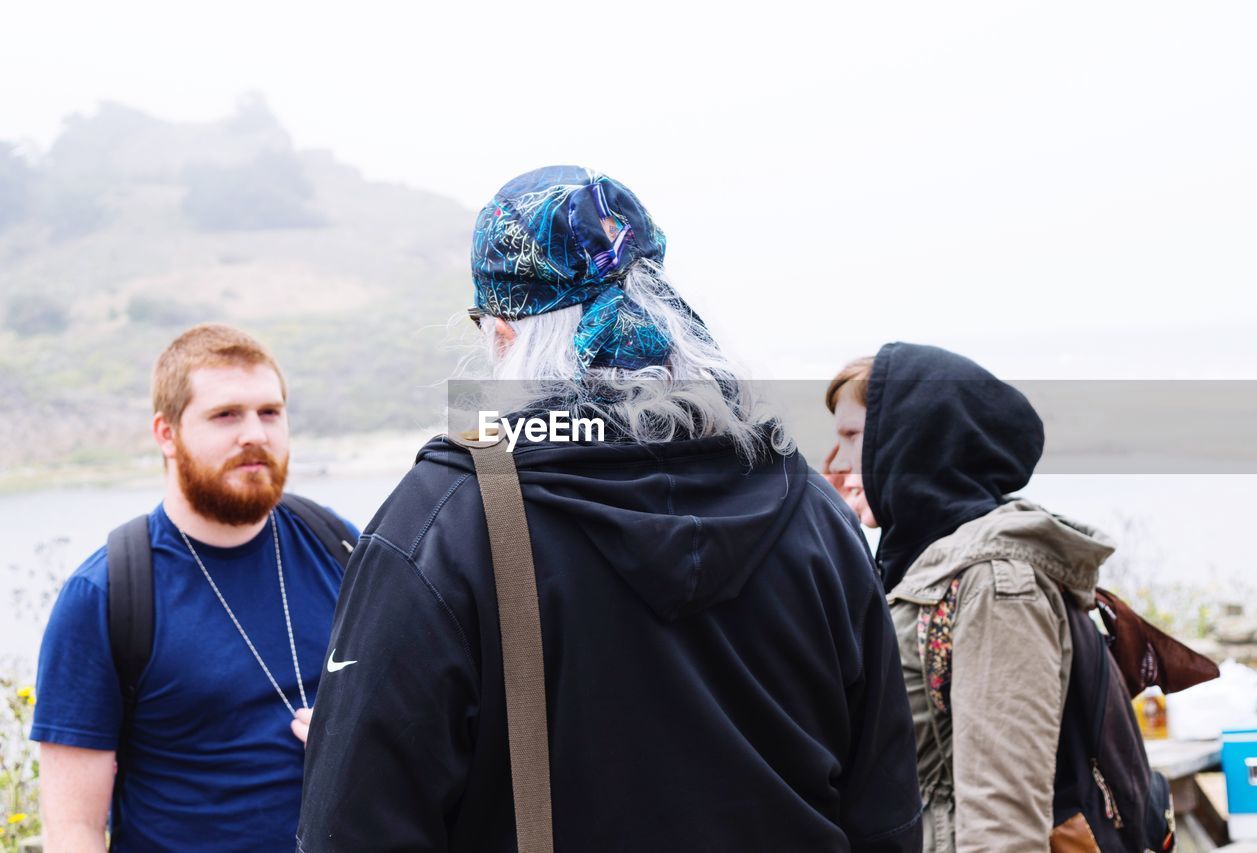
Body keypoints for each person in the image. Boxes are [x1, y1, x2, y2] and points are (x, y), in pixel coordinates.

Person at [297, 166, 923, 852]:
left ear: (504, 336)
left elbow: (352, 830)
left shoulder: (443, 528)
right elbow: (886, 817)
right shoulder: (810, 511)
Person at [32, 323, 358, 852]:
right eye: (226, 414)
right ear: (166, 433)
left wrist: (355, 732)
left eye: (270, 412)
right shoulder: (107, 594)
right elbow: (73, 829)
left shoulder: (338, 545)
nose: (254, 433)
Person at [824, 342, 1117, 852]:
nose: (834, 461)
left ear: (909, 442)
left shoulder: (995, 583)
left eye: (852, 437)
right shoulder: (916, 567)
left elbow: (1003, 822)